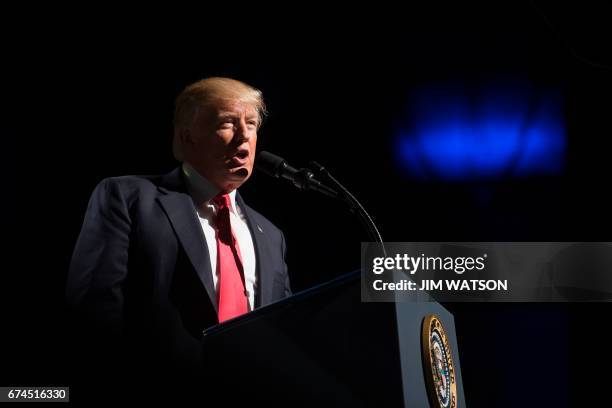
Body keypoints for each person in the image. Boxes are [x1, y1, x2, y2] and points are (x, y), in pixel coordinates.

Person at [66, 77, 291, 400]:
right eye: (227, 123)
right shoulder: (129, 198)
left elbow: (285, 335)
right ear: (187, 138)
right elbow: (93, 314)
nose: (244, 137)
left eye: (252, 124)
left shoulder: (271, 236)